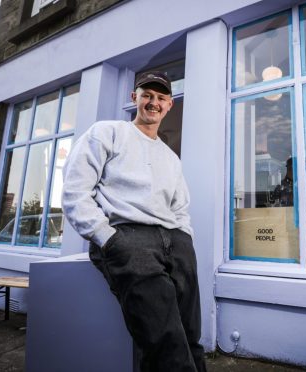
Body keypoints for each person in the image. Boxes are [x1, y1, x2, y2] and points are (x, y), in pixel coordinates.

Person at [62, 71, 206, 372]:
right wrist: (107, 238)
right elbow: (76, 191)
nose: (153, 102)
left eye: (161, 98)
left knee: (190, 334)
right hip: (128, 238)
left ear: (169, 105)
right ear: (135, 98)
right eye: (147, 95)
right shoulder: (107, 133)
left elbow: (181, 207)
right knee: (164, 338)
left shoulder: (170, 157)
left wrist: (184, 238)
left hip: (174, 241)